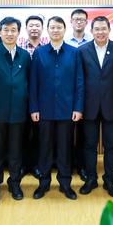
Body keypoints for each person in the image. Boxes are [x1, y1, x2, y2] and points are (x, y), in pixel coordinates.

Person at [30, 16, 84, 200]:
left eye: (59, 27)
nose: (55, 30)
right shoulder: (39, 52)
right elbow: (33, 83)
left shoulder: (74, 52)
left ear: (64, 29)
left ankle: (65, 184)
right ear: (48, 30)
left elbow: (79, 82)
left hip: (67, 110)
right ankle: (43, 183)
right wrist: (34, 108)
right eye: (52, 27)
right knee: (44, 148)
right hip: (44, 110)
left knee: (65, 149)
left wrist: (78, 108)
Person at [0, 17, 31, 203]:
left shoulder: (24, 56)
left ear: (18, 32)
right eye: (6, 30)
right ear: (0, 32)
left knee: (16, 151)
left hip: (19, 113)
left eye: (13, 30)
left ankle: (15, 183)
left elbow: (29, 83)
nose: (10, 34)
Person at [78, 16, 113, 198]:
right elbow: (79, 81)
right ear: (91, 31)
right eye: (97, 29)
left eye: (103, 29)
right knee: (89, 145)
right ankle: (91, 179)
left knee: (111, 145)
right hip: (89, 106)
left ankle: (109, 180)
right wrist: (79, 107)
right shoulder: (82, 50)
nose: (100, 32)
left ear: (109, 30)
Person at [18, 15, 47, 179]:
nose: (34, 28)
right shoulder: (18, 45)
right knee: (22, 133)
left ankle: (36, 165)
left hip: (41, 98)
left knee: (38, 133)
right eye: (31, 25)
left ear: (42, 28)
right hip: (21, 96)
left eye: (37, 25)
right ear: (26, 28)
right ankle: (22, 165)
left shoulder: (47, 46)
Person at [67, 8, 93, 181]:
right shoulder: (64, 42)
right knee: (66, 134)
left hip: (88, 97)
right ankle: (67, 164)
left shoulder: (92, 42)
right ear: (70, 21)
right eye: (75, 19)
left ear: (86, 22)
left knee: (84, 135)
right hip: (66, 96)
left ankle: (83, 166)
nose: (78, 21)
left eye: (82, 19)